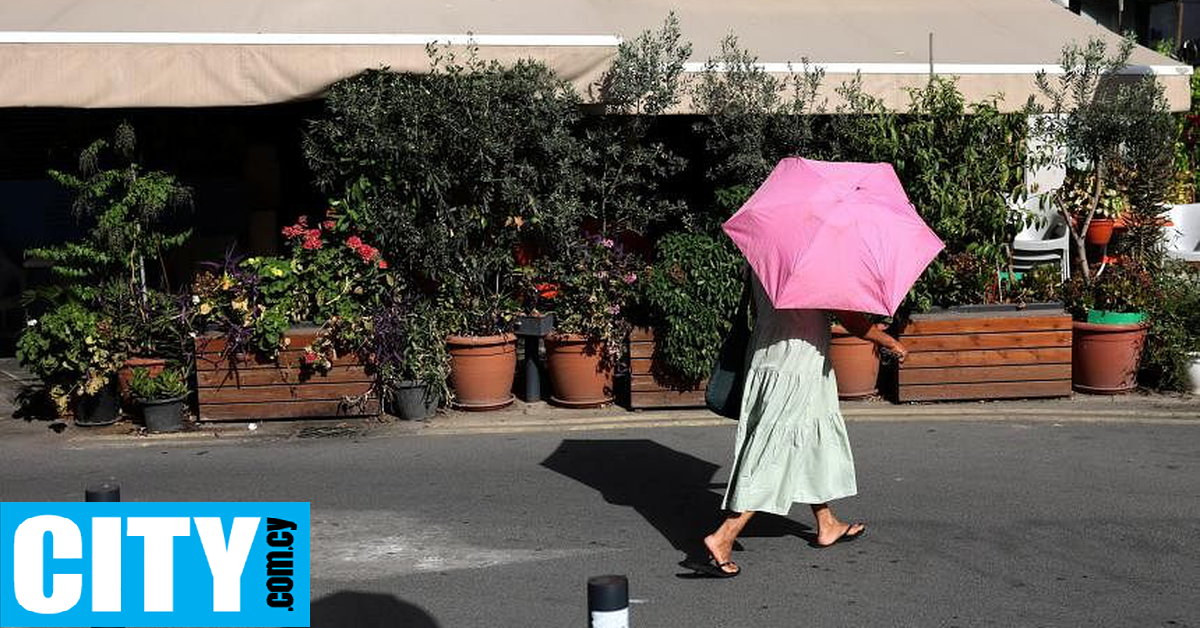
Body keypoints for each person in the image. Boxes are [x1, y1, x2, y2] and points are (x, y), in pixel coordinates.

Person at [692, 270, 908, 578]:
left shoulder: (764, 258)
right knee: (775, 452)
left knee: (806, 439)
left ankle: (827, 522)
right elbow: (853, 320)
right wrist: (889, 341)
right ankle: (724, 535)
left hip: (767, 357)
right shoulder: (821, 264)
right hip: (798, 364)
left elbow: (758, 308)